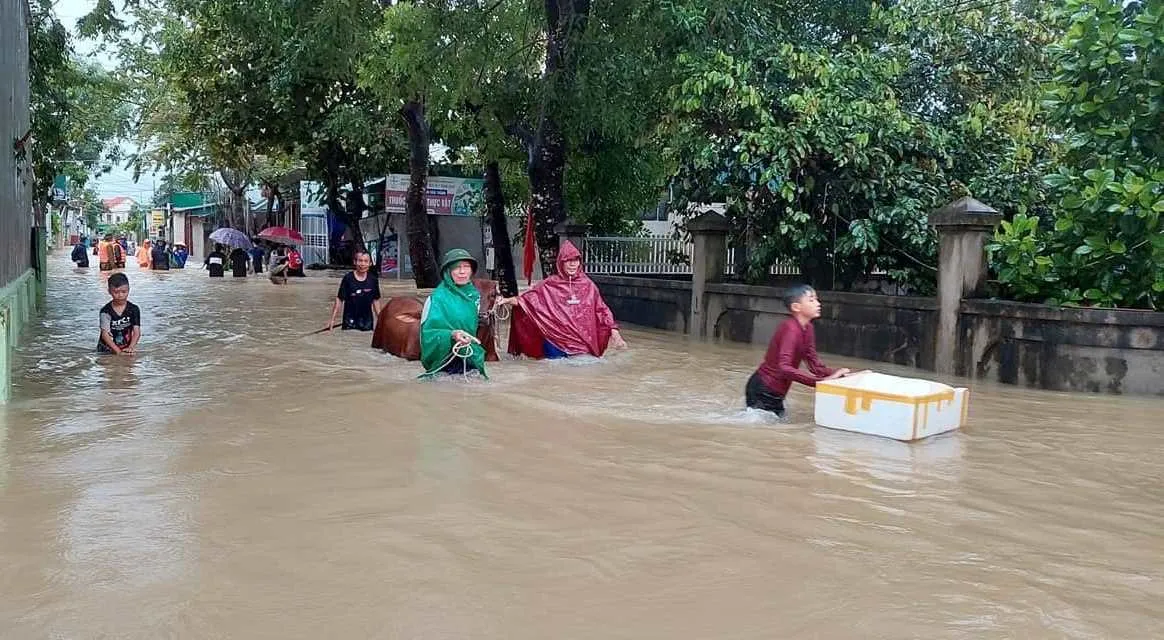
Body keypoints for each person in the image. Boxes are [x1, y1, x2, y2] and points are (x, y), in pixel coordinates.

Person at [497, 240, 626, 359]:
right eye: (568, 260)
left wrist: (615, 334)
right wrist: (506, 300)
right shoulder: (550, 284)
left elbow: (602, 310)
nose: (572, 264)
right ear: (560, 263)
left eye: (575, 260)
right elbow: (527, 301)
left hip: (581, 342)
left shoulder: (588, 285)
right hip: (554, 341)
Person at [745, 284, 855, 418]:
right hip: (763, 389)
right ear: (796, 307)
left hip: (775, 392)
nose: (818, 304)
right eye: (811, 300)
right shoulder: (790, 329)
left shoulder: (808, 328)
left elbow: (815, 366)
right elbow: (784, 368)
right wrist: (819, 382)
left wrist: (841, 374)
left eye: (816, 299)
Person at [419, 248, 488, 379]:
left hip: (469, 355)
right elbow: (427, 334)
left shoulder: (475, 297)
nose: (462, 272)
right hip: (444, 361)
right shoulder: (436, 299)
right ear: (448, 272)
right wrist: (452, 334)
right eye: (457, 267)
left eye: (466, 267)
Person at [326, 251, 382, 331]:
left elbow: (376, 300)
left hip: (367, 322)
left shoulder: (373, 280)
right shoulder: (348, 278)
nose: (362, 264)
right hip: (349, 321)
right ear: (355, 262)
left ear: (370, 264)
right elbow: (339, 299)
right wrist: (332, 320)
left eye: (366, 261)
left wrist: (381, 321)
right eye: (360, 260)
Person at [98, 272, 141, 356]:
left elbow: (137, 332)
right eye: (116, 292)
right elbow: (105, 334)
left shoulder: (134, 309)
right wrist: (118, 352)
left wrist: (131, 347)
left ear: (129, 290)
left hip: (126, 346)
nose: (120, 295)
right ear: (109, 291)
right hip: (106, 349)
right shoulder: (105, 311)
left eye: (124, 291)